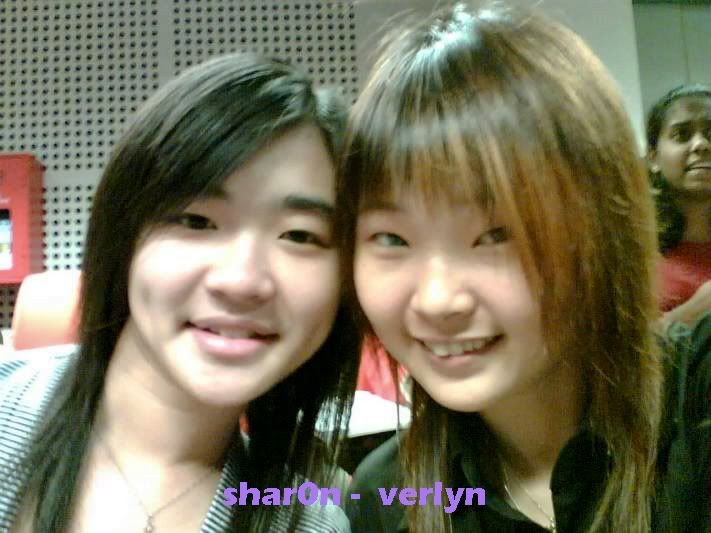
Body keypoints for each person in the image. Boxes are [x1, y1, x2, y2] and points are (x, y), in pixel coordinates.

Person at [338, 3, 710, 532]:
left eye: (496, 234)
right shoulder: (386, 498)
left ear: (601, 226)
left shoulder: (694, 407)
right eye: (392, 239)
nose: (437, 300)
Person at [0, 53, 360, 532]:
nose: (242, 280)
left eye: (299, 235)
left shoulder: (310, 525)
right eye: (196, 221)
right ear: (123, 238)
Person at [646, 84, 711, 319]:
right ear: (654, 159)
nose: (701, 145)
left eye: (710, 134)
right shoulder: (631, 250)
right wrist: (693, 313)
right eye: (682, 135)